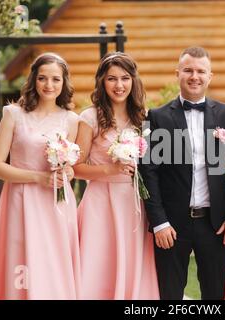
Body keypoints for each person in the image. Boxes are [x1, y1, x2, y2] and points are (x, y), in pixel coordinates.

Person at [140, 46, 225, 300]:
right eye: (188, 70)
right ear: (177, 73)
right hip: (171, 225)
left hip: (215, 223)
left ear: (210, 76)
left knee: (214, 294)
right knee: (170, 295)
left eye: (201, 71)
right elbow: (149, 173)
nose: (194, 76)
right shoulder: (157, 117)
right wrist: (159, 222)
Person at [0, 53, 80, 299]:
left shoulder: (72, 120)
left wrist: (68, 170)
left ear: (64, 83)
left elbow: (72, 168)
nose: (49, 85)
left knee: (52, 264)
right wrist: (38, 178)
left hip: (57, 204)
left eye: (56, 79)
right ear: (34, 79)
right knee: (21, 265)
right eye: (43, 78)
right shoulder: (13, 114)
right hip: (20, 200)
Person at [74, 52, 159, 299]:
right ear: (102, 81)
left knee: (133, 262)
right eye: (112, 79)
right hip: (100, 203)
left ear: (133, 80)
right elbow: (76, 168)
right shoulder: (89, 117)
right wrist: (109, 170)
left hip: (134, 203)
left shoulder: (144, 117)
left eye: (124, 78)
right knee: (98, 263)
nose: (119, 85)